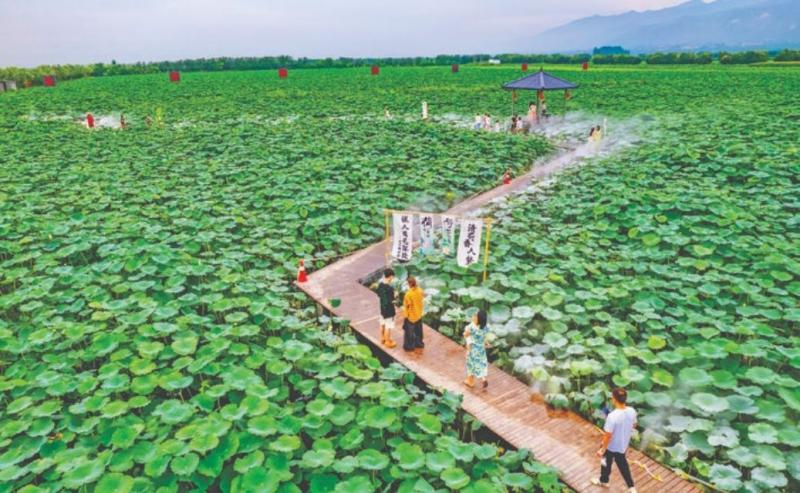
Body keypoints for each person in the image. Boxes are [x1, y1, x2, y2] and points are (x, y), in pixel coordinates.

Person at [591, 388, 638, 492]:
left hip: (611, 446)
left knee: (605, 462)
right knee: (623, 465)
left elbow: (608, 435)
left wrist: (603, 449)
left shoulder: (612, 416)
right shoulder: (632, 411)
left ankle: (604, 481)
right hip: (623, 445)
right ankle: (631, 487)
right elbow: (634, 425)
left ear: (614, 399)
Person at [463, 309, 490, 388]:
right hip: (481, 349)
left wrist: (466, 337)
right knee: (480, 363)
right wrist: (485, 342)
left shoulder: (471, 327)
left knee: (471, 364)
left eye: (475, 316)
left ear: (477, 319)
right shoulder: (486, 327)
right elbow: (484, 336)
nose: (473, 316)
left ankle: (470, 381)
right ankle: (483, 378)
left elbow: (466, 335)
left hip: (472, 348)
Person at [376, 268, 398, 349]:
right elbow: (392, 301)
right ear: (391, 276)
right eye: (392, 277)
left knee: (382, 323)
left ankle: (382, 338)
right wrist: (395, 295)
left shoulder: (380, 285)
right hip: (389, 310)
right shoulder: (390, 288)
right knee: (388, 326)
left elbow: (379, 295)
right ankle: (388, 341)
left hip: (382, 308)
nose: (392, 279)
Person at [402, 276, 424, 351]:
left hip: (411, 316)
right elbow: (422, 297)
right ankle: (419, 343)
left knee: (409, 333)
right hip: (419, 314)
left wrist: (406, 316)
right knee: (419, 331)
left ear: (409, 284)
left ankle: (409, 347)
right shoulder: (420, 290)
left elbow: (406, 306)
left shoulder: (408, 294)